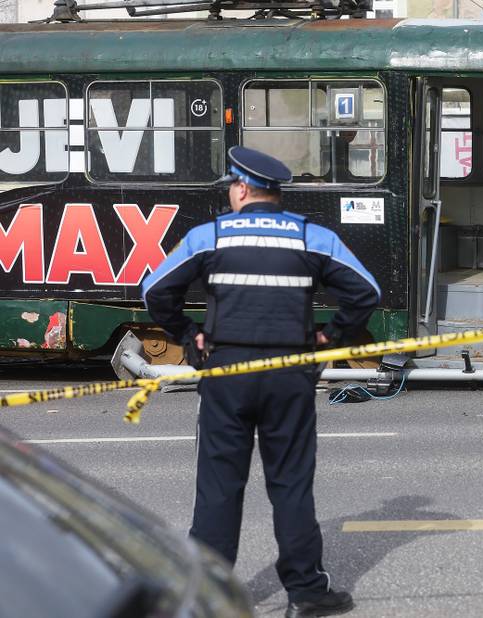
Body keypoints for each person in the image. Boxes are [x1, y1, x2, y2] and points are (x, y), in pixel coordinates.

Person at [142, 146, 380, 617]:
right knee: (290, 483)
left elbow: (154, 289)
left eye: (231, 187)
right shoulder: (313, 237)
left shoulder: (209, 236)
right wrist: (329, 335)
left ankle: (210, 596)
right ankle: (307, 592)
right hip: (290, 375)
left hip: (227, 374)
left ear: (242, 188)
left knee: (219, 488)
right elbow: (366, 291)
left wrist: (188, 336)